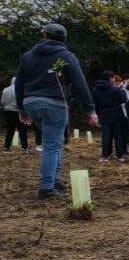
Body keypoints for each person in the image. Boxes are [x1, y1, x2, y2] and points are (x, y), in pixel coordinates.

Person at [16, 23, 98, 199]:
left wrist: (21, 108)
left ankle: (54, 180)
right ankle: (46, 188)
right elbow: (79, 83)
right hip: (54, 103)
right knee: (52, 145)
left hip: (31, 102)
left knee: (54, 141)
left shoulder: (28, 56)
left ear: (44, 35)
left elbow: (19, 83)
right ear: (65, 39)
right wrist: (90, 108)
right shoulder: (66, 56)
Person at [91, 70, 128, 162]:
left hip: (103, 113)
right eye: (113, 78)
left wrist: (97, 114)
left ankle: (105, 155)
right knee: (118, 135)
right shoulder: (115, 88)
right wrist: (122, 89)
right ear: (110, 78)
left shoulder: (96, 89)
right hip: (116, 113)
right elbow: (123, 99)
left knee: (106, 135)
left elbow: (94, 102)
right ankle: (120, 155)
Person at [2, 76, 31, 153]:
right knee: (22, 129)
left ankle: (6, 147)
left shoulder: (5, 90)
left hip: (8, 111)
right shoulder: (21, 90)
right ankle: (24, 147)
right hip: (19, 111)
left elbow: (3, 102)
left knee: (10, 129)